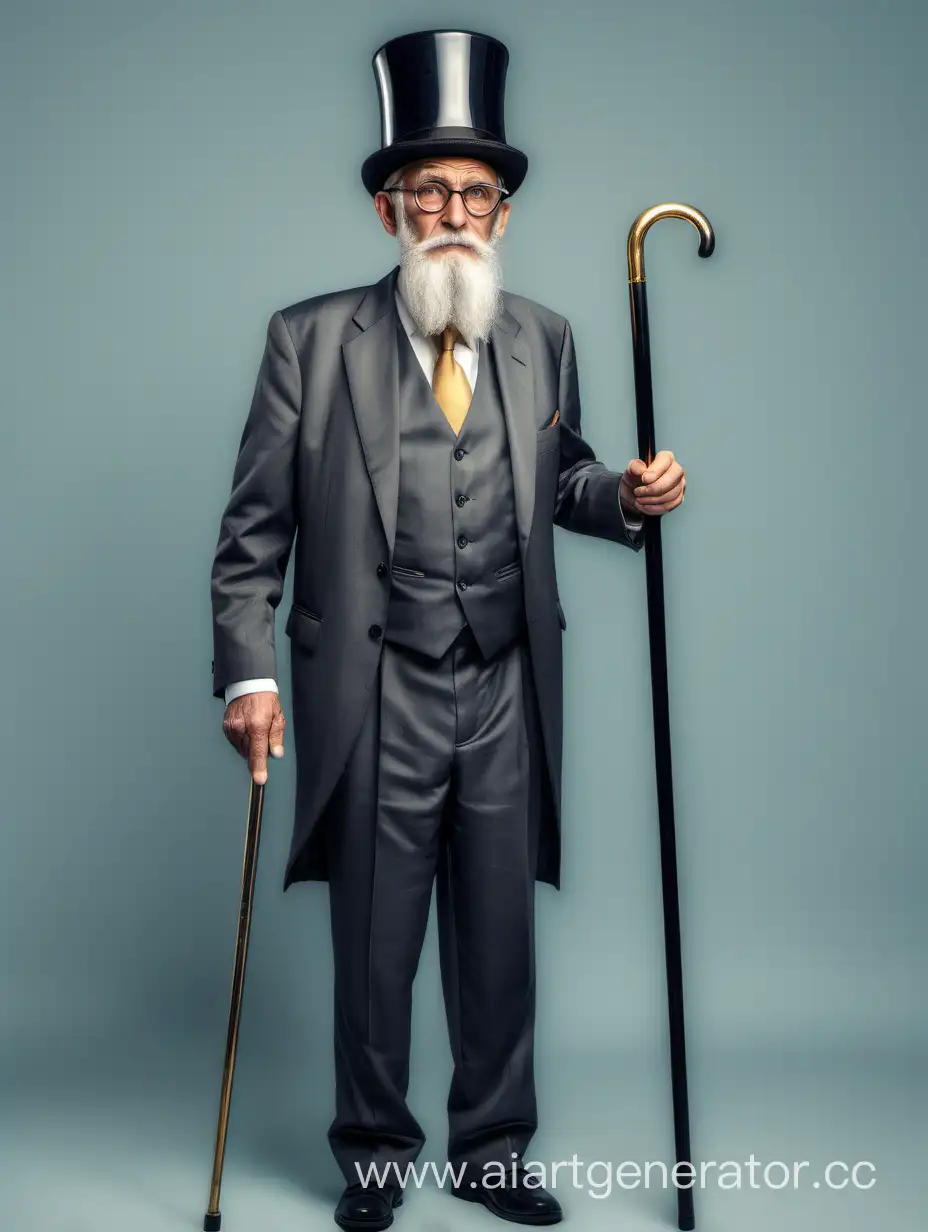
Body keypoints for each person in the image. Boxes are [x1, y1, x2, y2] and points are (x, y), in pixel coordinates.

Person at [210, 29, 686, 1231]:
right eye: (431, 193)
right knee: (376, 940)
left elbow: (559, 480)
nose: (457, 212)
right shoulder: (310, 340)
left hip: (508, 682)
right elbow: (252, 528)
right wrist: (245, 675)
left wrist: (622, 497)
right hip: (372, 684)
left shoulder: (545, 338)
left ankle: (493, 1146)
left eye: (479, 194)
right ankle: (373, 1153)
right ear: (389, 212)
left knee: (498, 932)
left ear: (506, 215)